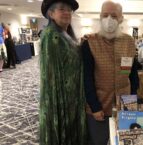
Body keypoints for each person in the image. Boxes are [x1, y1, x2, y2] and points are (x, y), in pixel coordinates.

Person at [81, 1, 139, 145]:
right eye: (105, 15)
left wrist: (134, 100)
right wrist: (94, 106)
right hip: (99, 105)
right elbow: (86, 78)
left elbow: (133, 74)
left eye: (114, 16)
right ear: (100, 17)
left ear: (121, 19)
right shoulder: (90, 42)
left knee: (128, 140)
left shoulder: (129, 41)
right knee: (99, 141)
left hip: (126, 103)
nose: (109, 19)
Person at [39, 0, 86, 144]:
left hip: (72, 96)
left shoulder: (65, 34)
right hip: (61, 99)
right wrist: (59, 108)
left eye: (69, 10)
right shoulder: (50, 35)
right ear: (51, 14)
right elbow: (51, 75)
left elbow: (69, 56)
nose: (67, 12)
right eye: (61, 9)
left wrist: (80, 44)